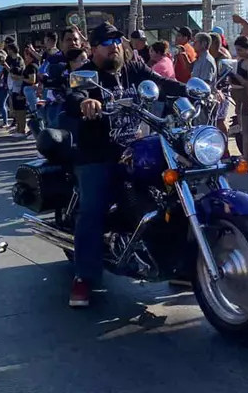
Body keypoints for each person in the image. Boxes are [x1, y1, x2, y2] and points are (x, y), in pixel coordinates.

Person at [63, 23, 187, 307]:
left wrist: (194, 91)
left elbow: (164, 84)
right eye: (106, 42)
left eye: (117, 40)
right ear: (93, 49)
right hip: (98, 155)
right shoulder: (86, 74)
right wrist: (86, 104)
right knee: (92, 210)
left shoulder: (134, 68)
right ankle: (84, 276)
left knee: (174, 193)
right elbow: (75, 96)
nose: (114, 46)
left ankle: (182, 262)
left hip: (134, 150)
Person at [40, 26, 83, 130]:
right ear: (61, 42)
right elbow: (42, 72)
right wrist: (50, 80)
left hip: (82, 101)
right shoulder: (54, 59)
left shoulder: (85, 58)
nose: (73, 43)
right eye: (69, 40)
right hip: (58, 101)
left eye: (76, 40)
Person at [230, 36, 248, 160]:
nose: (238, 53)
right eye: (237, 50)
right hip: (240, 98)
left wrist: (236, 76)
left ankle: (246, 157)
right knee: (243, 130)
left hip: (246, 98)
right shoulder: (243, 60)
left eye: (240, 50)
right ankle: (247, 155)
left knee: (246, 130)